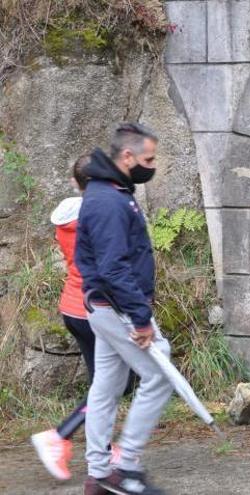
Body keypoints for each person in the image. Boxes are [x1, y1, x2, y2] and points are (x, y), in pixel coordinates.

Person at [76, 122, 173, 494]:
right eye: (148, 158)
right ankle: (124, 466)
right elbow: (113, 267)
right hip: (113, 308)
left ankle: (99, 474)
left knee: (106, 387)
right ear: (127, 156)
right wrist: (141, 318)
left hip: (105, 307)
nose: (152, 165)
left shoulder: (113, 192)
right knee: (159, 375)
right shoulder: (108, 201)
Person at [31, 154, 123, 480]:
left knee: (106, 381)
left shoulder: (67, 215)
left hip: (73, 306)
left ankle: (101, 446)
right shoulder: (96, 216)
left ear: (75, 182)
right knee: (113, 383)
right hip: (94, 308)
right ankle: (60, 437)